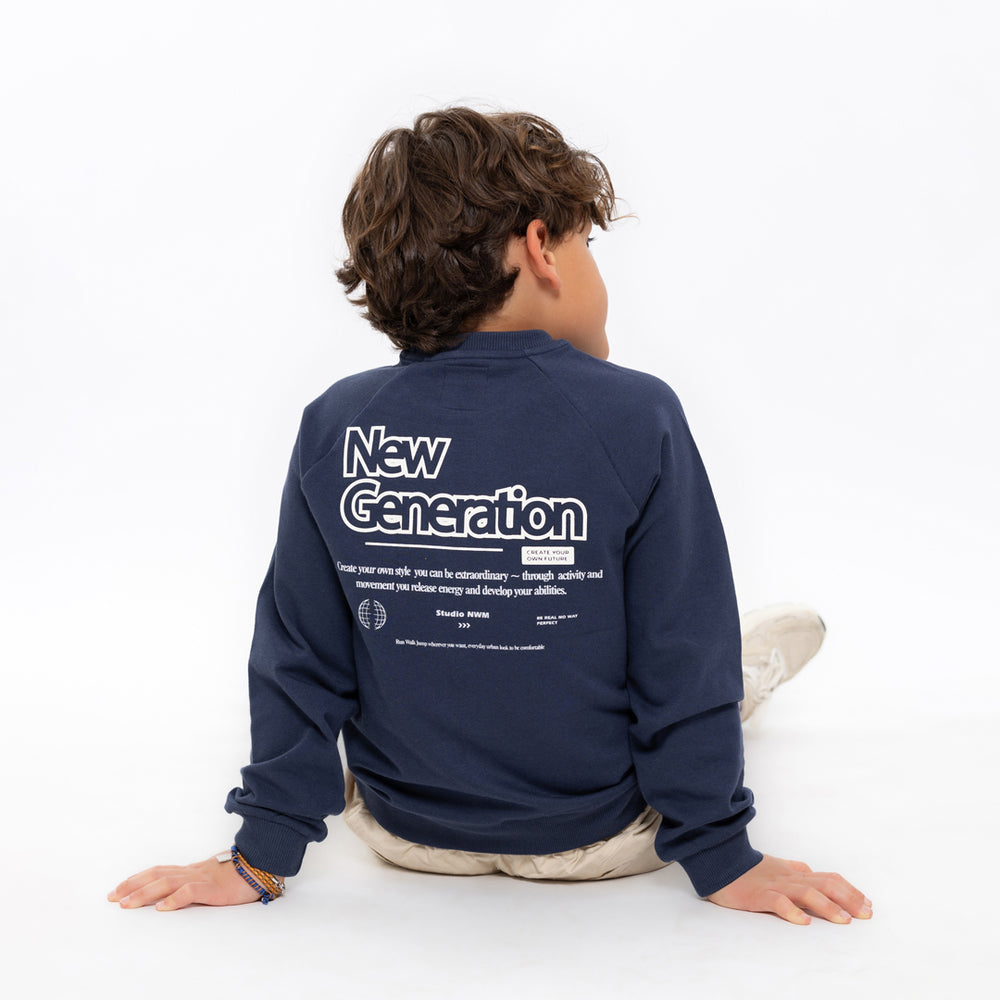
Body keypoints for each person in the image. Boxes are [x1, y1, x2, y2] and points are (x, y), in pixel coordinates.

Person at [108, 108, 872, 925]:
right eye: (587, 244)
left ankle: (734, 678)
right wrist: (722, 853)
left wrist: (260, 851)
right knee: (706, 657)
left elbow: (300, 656)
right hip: (601, 837)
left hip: (406, 834)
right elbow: (679, 650)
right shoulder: (636, 416)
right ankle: (746, 679)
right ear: (541, 247)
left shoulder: (337, 424)